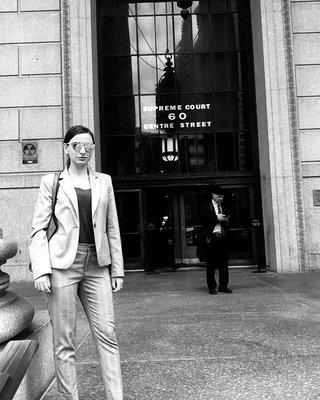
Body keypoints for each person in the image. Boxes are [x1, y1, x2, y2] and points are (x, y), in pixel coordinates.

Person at [29, 125, 124, 400]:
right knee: (64, 340)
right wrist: (41, 270)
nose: (83, 151)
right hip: (61, 266)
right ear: (67, 148)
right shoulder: (52, 182)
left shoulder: (103, 181)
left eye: (88, 146)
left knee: (107, 334)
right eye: (77, 145)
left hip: (97, 264)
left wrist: (117, 269)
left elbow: (112, 227)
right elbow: (38, 229)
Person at [199, 185, 232, 295]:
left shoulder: (225, 206)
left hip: (223, 238)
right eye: (218, 196)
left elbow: (231, 220)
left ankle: (223, 286)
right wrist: (216, 218)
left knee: (224, 265)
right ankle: (212, 287)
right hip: (211, 239)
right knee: (211, 265)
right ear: (213, 195)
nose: (220, 199)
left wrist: (226, 220)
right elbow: (202, 221)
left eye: (222, 197)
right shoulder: (206, 206)